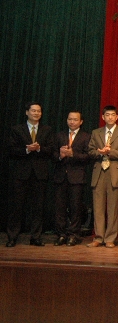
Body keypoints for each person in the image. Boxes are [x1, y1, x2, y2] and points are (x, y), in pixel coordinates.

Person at [7, 102, 55, 247]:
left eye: (38, 111)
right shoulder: (17, 129)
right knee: (17, 207)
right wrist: (27, 150)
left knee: (38, 207)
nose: (36, 113)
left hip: (40, 174)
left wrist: (39, 148)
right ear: (27, 112)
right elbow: (11, 150)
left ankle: (36, 237)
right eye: (33, 111)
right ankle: (12, 237)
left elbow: (51, 150)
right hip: (21, 174)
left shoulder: (47, 130)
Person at [87, 105, 118, 248]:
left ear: (117, 117)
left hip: (115, 173)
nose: (110, 117)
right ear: (103, 117)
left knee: (112, 208)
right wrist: (100, 152)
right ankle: (98, 237)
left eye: (113, 115)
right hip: (99, 172)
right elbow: (90, 151)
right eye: (107, 115)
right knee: (98, 207)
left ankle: (110, 238)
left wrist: (109, 152)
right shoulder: (96, 132)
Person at [52, 111, 90, 246]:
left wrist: (73, 154)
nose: (72, 122)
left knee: (75, 207)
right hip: (60, 176)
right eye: (70, 119)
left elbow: (88, 157)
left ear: (81, 122)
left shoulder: (86, 136)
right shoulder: (59, 135)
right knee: (60, 207)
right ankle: (61, 234)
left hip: (77, 177)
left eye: (75, 120)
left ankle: (74, 234)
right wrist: (60, 156)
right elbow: (52, 154)